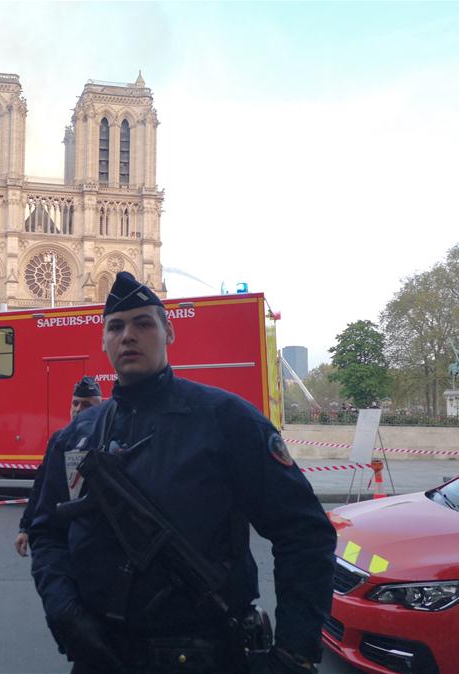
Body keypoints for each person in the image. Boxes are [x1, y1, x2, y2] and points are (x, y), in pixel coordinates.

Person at [29, 272, 336, 674]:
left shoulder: (228, 421)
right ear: (103, 341)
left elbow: (303, 532)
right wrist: (64, 609)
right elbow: (46, 531)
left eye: (143, 323)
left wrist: (295, 652)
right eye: (116, 327)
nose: (128, 336)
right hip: (100, 653)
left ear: (168, 332)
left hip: (207, 654)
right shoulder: (75, 437)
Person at [14, 376, 103, 557]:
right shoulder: (60, 440)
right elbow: (41, 484)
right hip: (63, 535)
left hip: (96, 538)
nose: (78, 410)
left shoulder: (106, 440)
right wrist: (25, 527)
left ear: (99, 409)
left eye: (86, 405)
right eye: (75, 404)